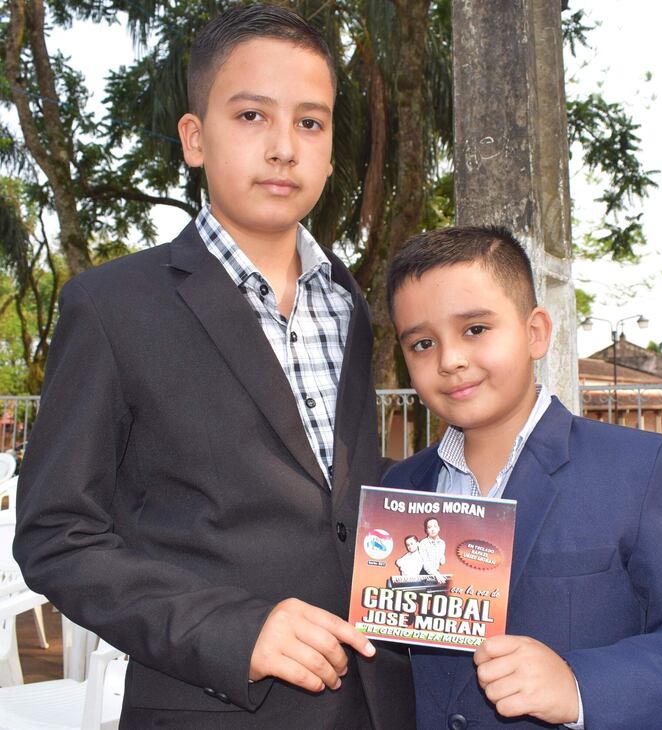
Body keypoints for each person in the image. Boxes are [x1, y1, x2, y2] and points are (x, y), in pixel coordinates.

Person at [13, 5, 414, 728]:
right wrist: (234, 631)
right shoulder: (111, 306)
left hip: (373, 703)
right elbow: (57, 536)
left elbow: (336, 498)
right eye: (252, 116)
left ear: (331, 152)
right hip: (211, 706)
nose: (284, 148)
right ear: (195, 138)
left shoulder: (348, 301)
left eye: (310, 122)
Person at [382, 225, 662, 729]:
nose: (450, 360)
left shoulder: (638, 469)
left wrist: (578, 685)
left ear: (535, 332)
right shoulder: (399, 491)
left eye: (475, 329)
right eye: (423, 343)